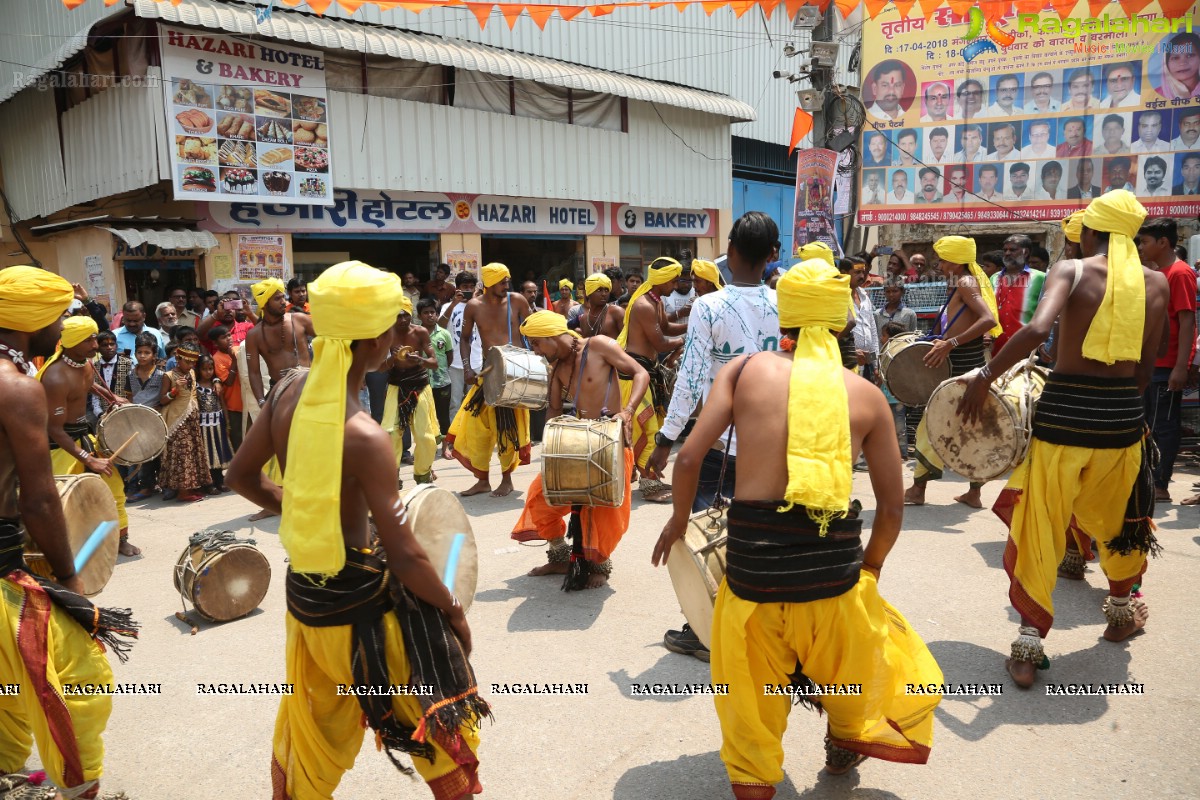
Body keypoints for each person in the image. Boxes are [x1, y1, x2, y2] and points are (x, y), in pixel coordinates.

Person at [652, 258, 942, 794]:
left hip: (753, 580)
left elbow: (690, 460)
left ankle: (755, 777)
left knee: (751, 710)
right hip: (832, 581)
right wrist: (869, 571)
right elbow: (892, 508)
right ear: (843, 324)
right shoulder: (869, 396)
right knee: (849, 667)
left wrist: (676, 522)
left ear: (782, 318)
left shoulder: (742, 371)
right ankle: (841, 745)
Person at [224, 260, 488, 800]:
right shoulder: (364, 435)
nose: (403, 336)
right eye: (397, 325)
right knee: (440, 723)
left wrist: (306, 513)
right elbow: (407, 555)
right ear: (373, 340)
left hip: (308, 607)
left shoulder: (286, 390)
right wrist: (453, 613)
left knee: (315, 737)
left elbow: (239, 476)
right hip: (366, 611)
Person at [959, 190, 1168, 688]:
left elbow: (1035, 329)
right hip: (1121, 421)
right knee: (1123, 519)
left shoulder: (1071, 271)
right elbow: (1145, 365)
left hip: (1064, 418)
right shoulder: (1156, 283)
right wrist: (1120, 408)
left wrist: (985, 377)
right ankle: (1120, 614)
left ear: (1091, 232)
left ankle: (1029, 648)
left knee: (1042, 525)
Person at [0, 266, 138, 800]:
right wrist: (69, 581)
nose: (63, 328)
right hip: (2, 561)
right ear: (31, 320)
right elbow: (37, 500)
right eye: (59, 318)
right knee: (80, 682)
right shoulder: (19, 388)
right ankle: (80, 791)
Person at [647, 212, 782, 661]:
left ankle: (706, 630)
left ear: (730, 251)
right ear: (774, 255)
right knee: (761, 534)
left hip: (720, 443)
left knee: (708, 533)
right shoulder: (785, 302)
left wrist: (665, 440)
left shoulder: (709, 306)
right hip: (773, 443)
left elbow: (689, 377)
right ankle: (758, 628)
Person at [511, 312, 647, 589]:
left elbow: (639, 372)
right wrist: (550, 449)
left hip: (608, 441)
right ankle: (560, 556)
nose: (535, 350)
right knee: (540, 497)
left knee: (603, 509)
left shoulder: (598, 345)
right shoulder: (557, 367)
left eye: (537, 344)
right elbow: (554, 408)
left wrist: (628, 411)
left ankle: (600, 564)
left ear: (551, 336)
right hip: (575, 444)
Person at [904, 236, 1001, 509]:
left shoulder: (966, 282)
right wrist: (945, 339)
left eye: (944, 259)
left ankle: (917, 489)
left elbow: (988, 320)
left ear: (957, 262)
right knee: (971, 426)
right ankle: (973, 493)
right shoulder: (962, 281)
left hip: (961, 365)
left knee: (929, 423)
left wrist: (951, 343)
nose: (940, 263)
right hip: (963, 364)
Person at [39, 316, 141, 557]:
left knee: (114, 489)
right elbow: (54, 429)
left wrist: (110, 396)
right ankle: (65, 551)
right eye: (90, 340)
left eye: (95, 338)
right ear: (72, 342)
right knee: (64, 501)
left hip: (84, 434)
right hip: (59, 445)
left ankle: (120, 539)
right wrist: (89, 459)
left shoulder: (83, 364)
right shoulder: (55, 377)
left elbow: (87, 384)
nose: (96, 345)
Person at [447, 263, 533, 497]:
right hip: (489, 370)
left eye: (507, 281)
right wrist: (466, 368)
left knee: (506, 426)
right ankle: (482, 479)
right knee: (476, 426)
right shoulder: (473, 306)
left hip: (515, 371)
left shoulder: (517, 301)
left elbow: (534, 330)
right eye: (501, 282)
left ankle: (507, 479)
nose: (506, 285)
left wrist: (537, 364)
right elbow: (464, 339)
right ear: (488, 283)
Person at [1135, 218, 1196, 503]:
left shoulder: (1180, 273)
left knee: (1165, 424)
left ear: (1162, 242)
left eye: (1145, 242)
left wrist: (1181, 366)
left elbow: (1187, 321)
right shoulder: (1156, 272)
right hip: (1151, 364)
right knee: (1148, 424)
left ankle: (1161, 483)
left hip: (1168, 365)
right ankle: (1150, 480)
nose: (1141, 247)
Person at [617, 257, 686, 503]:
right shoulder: (645, 305)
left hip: (648, 371)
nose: (677, 284)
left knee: (653, 425)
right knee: (649, 430)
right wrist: (686, 340)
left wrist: (693, 324)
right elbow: (660, 342)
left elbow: (667, 328)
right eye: (674, 280)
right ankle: (647, 482)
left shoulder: (656, 301)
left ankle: (648, 476)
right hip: (636, 373)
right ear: (662, 280)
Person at [383, 296, 440, 485]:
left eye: (405, 315)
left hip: (420, 386)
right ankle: (392, 475)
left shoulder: (420, 332)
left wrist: (420, 360)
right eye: (397, 316)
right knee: (390, 433)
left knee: (425, 437)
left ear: (411, 315)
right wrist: (392, 358)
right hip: (396, 387)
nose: (402, 320)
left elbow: (434, 363)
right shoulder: (386, 335)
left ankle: (423, 475)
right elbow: (378, 367)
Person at [244, 278, 315, 410]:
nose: (284, 302)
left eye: (283, 297)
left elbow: (329, 339)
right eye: (277, 299)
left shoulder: (299, 320)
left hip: (309, 388)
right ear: (264, 304)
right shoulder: (254, 335)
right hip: (279, 392)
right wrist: (261, 402)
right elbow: (254, 373)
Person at [158, 341, 211, 503]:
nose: (190, 365)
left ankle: (191, 487)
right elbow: (162, 400)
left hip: (192, 419)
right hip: (176, 420)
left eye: (192, 362)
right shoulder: (168, 376)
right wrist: (175, 391)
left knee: (193, 453)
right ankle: (182, 492)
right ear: (177, 358)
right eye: (187, 362)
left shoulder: (192, 373)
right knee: (182, 454)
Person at [438, 271, 481, 448]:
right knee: (455, 403)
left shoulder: (480, 305)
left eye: (471, 287)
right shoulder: (449, 306)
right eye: (465, 287)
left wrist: (479, 299)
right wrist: (453, 303)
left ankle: (474, 439)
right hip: (454, 362)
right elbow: (439, 325)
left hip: (477, 361)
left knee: (476, 403)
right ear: (458, 288)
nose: (468, 290)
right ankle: (454, 439)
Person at [124, 334, 166, 502]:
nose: (142, 356)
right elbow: (129, 398)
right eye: (139, 352)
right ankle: (146, 486)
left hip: (157, 419)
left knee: (160, 453)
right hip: (138, 419)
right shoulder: (131, 375)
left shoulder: (162, 375)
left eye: (146, 352)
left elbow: (164, 398)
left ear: (154, 355)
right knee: (143, 454)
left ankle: (164, 483)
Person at [991, 234, 1045, 353]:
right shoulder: (994, 278)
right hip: (996, 347)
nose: (1007, 253)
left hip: (1027, 348)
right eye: (1005, 250)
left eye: (1013, 249)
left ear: (1025, 252)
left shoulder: (1040, 278)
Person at [195, 353, 233, 494]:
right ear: (198, 369)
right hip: (203, 425)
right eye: (204, 369)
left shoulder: (216, 384)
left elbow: (222, 403)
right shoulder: (196, 386)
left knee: (218, 451)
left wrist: (227, 422)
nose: (208, 372)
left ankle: (220, 480)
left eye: (211, 368)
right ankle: (209, 483)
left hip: (218, 422)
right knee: (207, 454)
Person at [418, 298, 454, 442]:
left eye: (432, 312)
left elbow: (449, 356)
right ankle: (429, 443)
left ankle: (446, 445)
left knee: (443, 414)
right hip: (422, 382)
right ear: (419, 316)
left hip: (442, 382)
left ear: (437, 314)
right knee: (425, 415)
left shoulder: (444, 334)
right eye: (425, 313)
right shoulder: (416, 333)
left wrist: (441, 370)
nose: (430, 315)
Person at [208, 325, 244, 451]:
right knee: (238, 441)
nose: (229, 338)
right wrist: (234, 361)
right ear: (215, 343)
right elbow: (228, 382)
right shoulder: (217, 359)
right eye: (224, 337)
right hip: (233, 406)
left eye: (229, 335)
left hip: (247, 401)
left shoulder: (238, 349)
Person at [89, 329, 133, 426]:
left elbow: (133, 391)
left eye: (112, 344)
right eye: (105, 345)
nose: (109, 348)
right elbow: (95, 396)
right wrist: (101, 414)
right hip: (104, 416)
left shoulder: (128, 363)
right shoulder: (94, 367)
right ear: (98, 348)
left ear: (116, 345)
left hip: (126, 413)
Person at [850, 261, 879, 381]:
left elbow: (872, 331)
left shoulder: (865, 297)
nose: (862, 276)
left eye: (863, 272)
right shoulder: (839, 297)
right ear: (845, 273)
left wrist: (876, 364)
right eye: (857, 272)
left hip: (867, 364)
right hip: (848, 363)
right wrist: (851, 352)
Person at [574, 272, 624, 338]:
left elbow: (628, 342)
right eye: (599, 290)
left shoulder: (617, 312)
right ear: (588, 293)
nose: (604, 294)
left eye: (606, 290)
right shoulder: (584, 319)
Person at [1156, 32, 1200, 100]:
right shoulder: (1156, 95)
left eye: (1189, 55)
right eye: (1175, 58)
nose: (1182, 63)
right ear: (1166, 63)